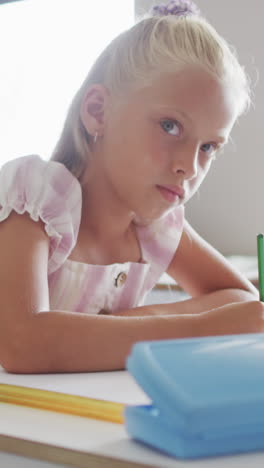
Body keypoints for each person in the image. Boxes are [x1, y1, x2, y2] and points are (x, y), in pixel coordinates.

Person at [0, 0, 262, 374]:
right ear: (97, 111)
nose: (188, 167)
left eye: (208, 148)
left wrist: (135, 321)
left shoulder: (155, 229)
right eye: (170, 126)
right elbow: (21, 344)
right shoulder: (34, 201)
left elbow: (239, 300)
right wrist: (195, 328)